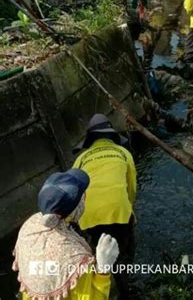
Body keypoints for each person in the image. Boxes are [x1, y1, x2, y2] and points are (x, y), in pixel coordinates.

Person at [13, 169, 119, 300]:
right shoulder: (75, 259)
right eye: (83, 195)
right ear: (76, 208)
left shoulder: (28, 226)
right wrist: (103, 269)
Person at [73, 114, 137, 299]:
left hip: (88, 217)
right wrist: (131, 209)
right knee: (123, 254)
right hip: (119, 212)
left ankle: (100, 288)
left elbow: (74, 191)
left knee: (97, 253)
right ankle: (125, 289)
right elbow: (131, 186)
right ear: (111, 135)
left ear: (90, 139)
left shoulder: (81, 159)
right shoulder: (123, 153)